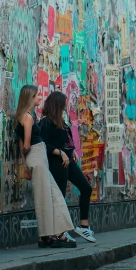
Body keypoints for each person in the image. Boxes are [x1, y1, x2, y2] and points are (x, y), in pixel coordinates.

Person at [14, 84, 76, 248]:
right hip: (37, 155)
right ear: (30, 98)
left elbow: (22, 145)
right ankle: (50, 235)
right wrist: (27, 156)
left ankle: (52, 234)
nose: (40, 98)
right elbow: (26, 144)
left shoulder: (22, 116)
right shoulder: (28, 117)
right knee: (45, 197)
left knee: (52, 194)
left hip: (35, 157)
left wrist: (26, 164)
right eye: (37, 96)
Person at [40, 91, 96, 243]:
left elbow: (66, 142)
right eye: (64, 102)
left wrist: (72, 152)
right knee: (60, 196)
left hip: (68, 160)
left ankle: (83, 226)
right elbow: (42, 144)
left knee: (86, 188)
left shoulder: (62, 122)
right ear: (58, 104)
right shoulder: (46, 122)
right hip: (57, 162)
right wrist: (60, 153)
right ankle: (60, 231)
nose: (67, 104)